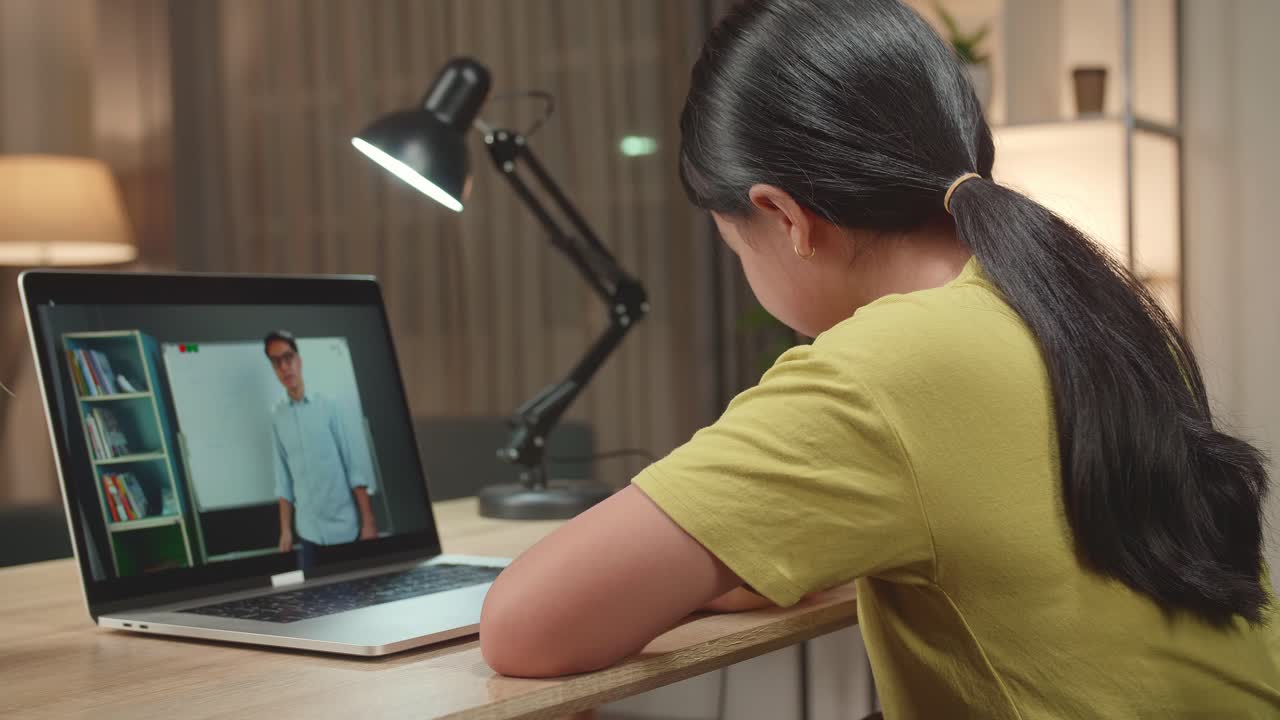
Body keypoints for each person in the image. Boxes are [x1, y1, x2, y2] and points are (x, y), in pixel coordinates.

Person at [477, 0, 1280, 716]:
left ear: (783, 217)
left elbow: (525, 627)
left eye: (734, 245)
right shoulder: (1083, 311)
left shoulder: (888, 367)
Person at [264, 330, 377, 569]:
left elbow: (353, 467)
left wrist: (368, 522)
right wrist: (285, 530)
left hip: (345, 530)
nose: (284, 367)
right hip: (309, 534)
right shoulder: (277, 416)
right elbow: (283, 480)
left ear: (299, 359)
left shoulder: (328, 405)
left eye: (288, 358)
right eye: (276, 362)